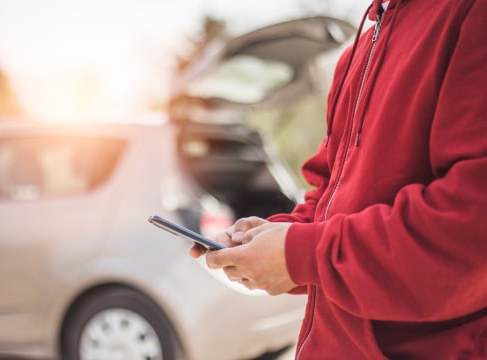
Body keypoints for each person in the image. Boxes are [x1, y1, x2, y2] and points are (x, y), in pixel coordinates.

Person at [190, 0, 487, 358]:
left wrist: (301, 254)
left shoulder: (472, 13)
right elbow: (328, 198)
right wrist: (273, 238)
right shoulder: (358, 53)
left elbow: (471, 228)